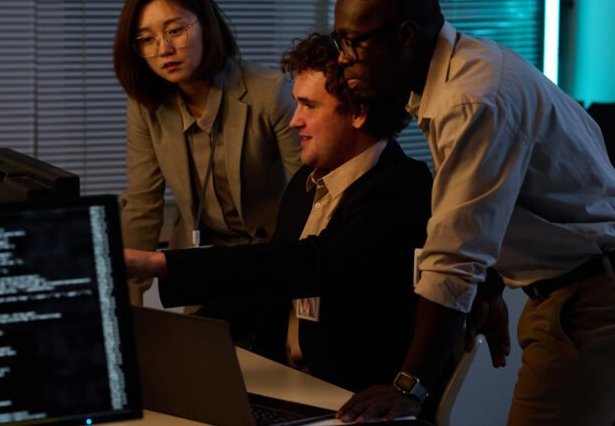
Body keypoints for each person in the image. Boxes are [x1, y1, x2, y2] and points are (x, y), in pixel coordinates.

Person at [330, 0, 615, 425]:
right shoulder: (464, 71)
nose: (342, 58)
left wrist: (409, 385)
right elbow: (499, 205)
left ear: (406, 35)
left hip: (591, 302)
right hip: (589, 292)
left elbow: (454, 254)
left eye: (352, 42)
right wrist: (491, 286)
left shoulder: (471, 98)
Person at [124, 34, 452, 418]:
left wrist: (161, 263)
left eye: (309, 105)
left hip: (352, 402)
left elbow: (308, 264)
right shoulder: (305, 184)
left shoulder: (401, 188)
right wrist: (173, 339)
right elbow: (267, 289)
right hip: (291, 389)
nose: (295, 119)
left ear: (358, 112)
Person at [113, 0, 302, 306]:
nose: (163, 49)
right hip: (197, 267)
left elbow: (312, 197)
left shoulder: (270, 93)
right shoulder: (146, 106)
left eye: (175, 31)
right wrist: (126, 307)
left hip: (270, 263)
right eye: (147, 39)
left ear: (206, 25)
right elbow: (142, 205)